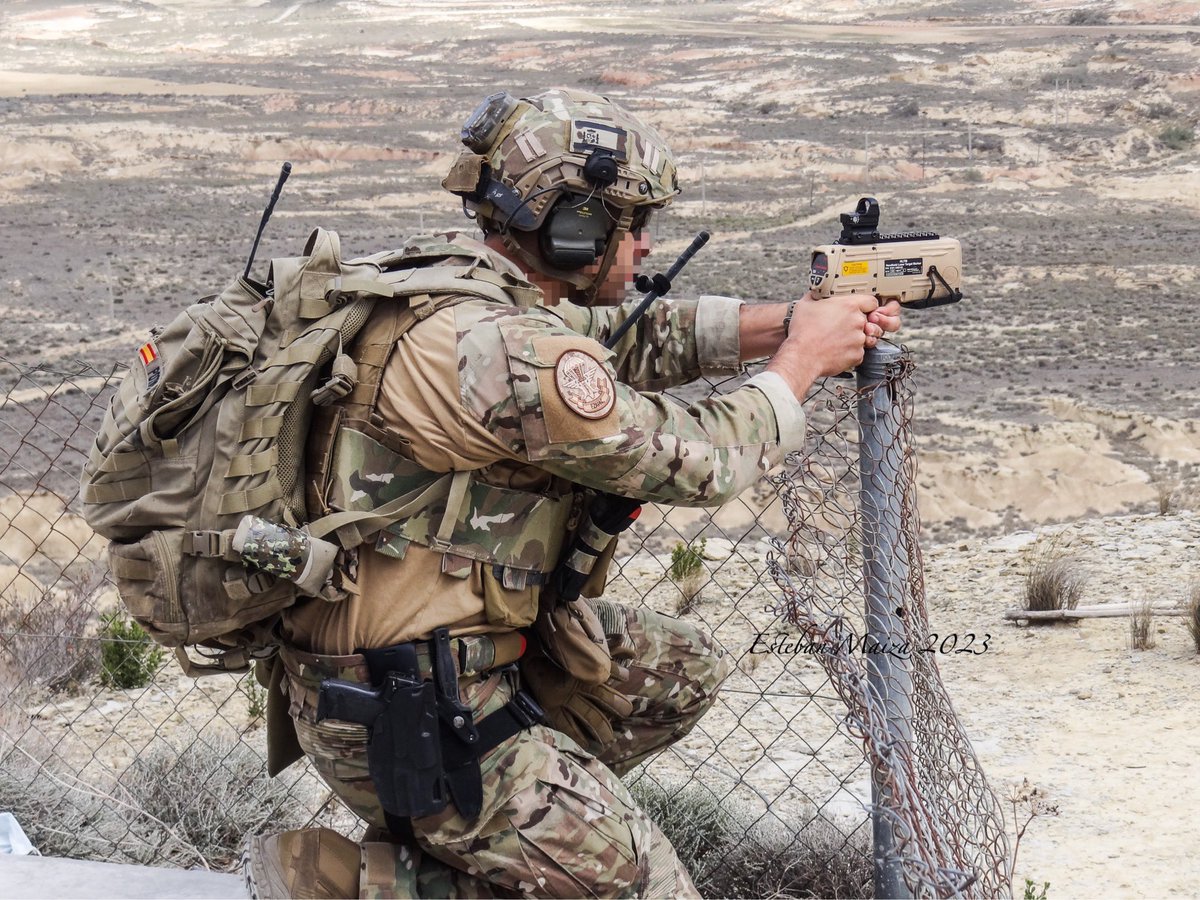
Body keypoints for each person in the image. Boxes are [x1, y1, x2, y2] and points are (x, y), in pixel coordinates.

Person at [245, 87, 901, 899]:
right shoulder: (506, 347)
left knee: (675, 668)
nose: (644, 245)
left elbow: (630, 340)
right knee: (646, 888)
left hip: (403, 673)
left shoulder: (457, 296)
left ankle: (514, 832)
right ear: (573, 226)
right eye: (631, 225)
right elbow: (698, 460)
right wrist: (800, 364)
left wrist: (790, 322)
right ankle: (376, 880)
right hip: (415, 712)